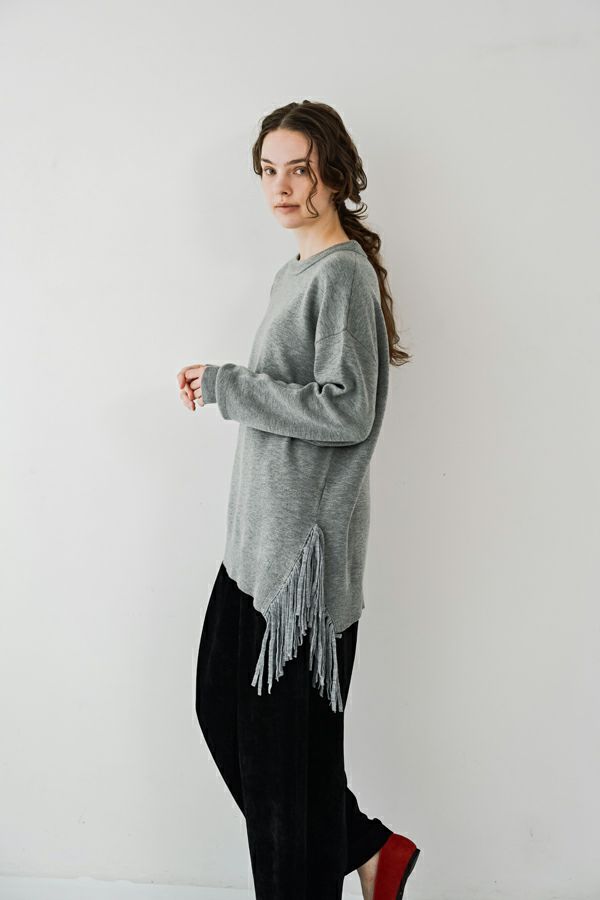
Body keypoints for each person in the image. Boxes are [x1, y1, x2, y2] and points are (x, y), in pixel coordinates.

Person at [177, 100, 421, 900]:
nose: (281, 187)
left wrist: (231, 386)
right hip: (255, 549)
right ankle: (369, 848)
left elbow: (346, 411)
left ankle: (360, 855)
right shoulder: (297, 272)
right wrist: (231, 387)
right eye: (268, 170)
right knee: (232, 723)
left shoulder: (342, 274)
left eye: (300, 170)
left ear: (334, 175)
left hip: (299, 573)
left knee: (283, 779)